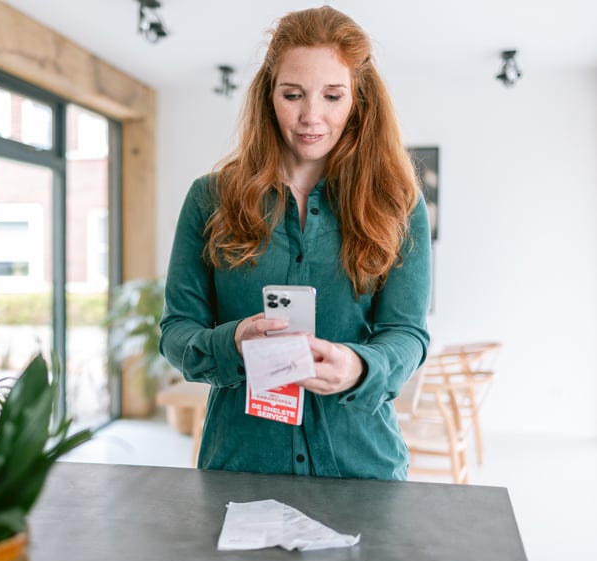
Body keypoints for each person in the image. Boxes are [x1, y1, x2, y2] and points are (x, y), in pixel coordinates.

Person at [158, 6, 431, 480]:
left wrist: (359, 368)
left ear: (358, 100)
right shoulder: (210, 198)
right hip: (241, 467)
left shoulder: (398, 204)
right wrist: (233, 341)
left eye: (332, 95)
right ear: (268, 95)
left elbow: (407, 334)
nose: (311, 116)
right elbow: (177, 332)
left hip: (361, 468)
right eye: (292, 94)